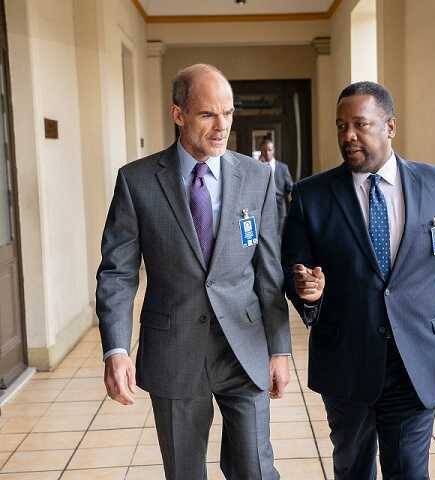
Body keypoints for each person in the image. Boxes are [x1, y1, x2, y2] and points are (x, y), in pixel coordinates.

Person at [281, 81, 435, 479]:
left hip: (416, 358)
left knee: (409, 470)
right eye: (341, 126)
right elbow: (295, 269)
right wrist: (307, 292)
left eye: (360, 124)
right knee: (353, 468)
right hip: (346, 359)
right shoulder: (311, 196)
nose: (348, 135)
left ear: (390, 126)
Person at [96, 63, 291, 480]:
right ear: (178, 114)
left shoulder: (257, 177)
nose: (222, 126)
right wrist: (116, 350)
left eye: (228, 113)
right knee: (184, 472)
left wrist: (279, 348)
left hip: (243, 348)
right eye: (207, 114)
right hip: (174, 350)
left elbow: (269, 270)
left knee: (256, 470)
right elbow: (117, 272)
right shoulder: (137, 181)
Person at [259, 138, 293, 234]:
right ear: (261, 151)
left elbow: (290, 187)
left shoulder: (283, 168)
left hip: (279, 209)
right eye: (264, 150)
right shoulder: (258, 167)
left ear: (273, 150)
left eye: (269, 150)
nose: (267, 153)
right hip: (263, 209)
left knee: (279, 237)